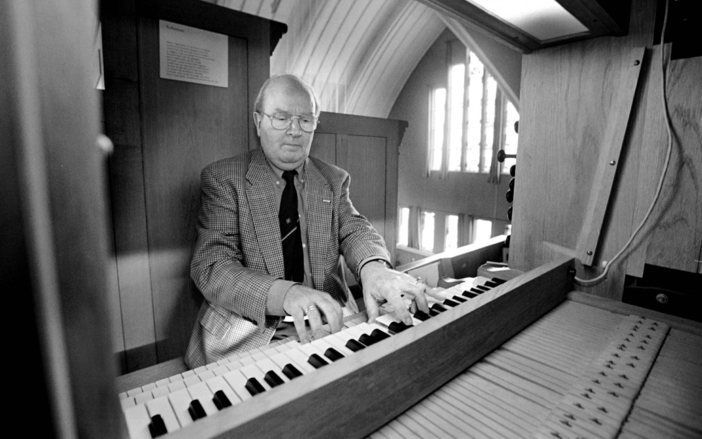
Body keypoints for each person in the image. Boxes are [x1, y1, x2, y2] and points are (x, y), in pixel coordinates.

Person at [184, 74, 428, 368]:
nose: (294, 130)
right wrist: (286, 293)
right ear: (258, 121)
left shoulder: (333, 179)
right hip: (249, 335)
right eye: (281, 117)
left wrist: (373, 268)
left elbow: (354, 230)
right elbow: (212, 267)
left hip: (328, 325)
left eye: (305, 120)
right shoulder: (224, 179)